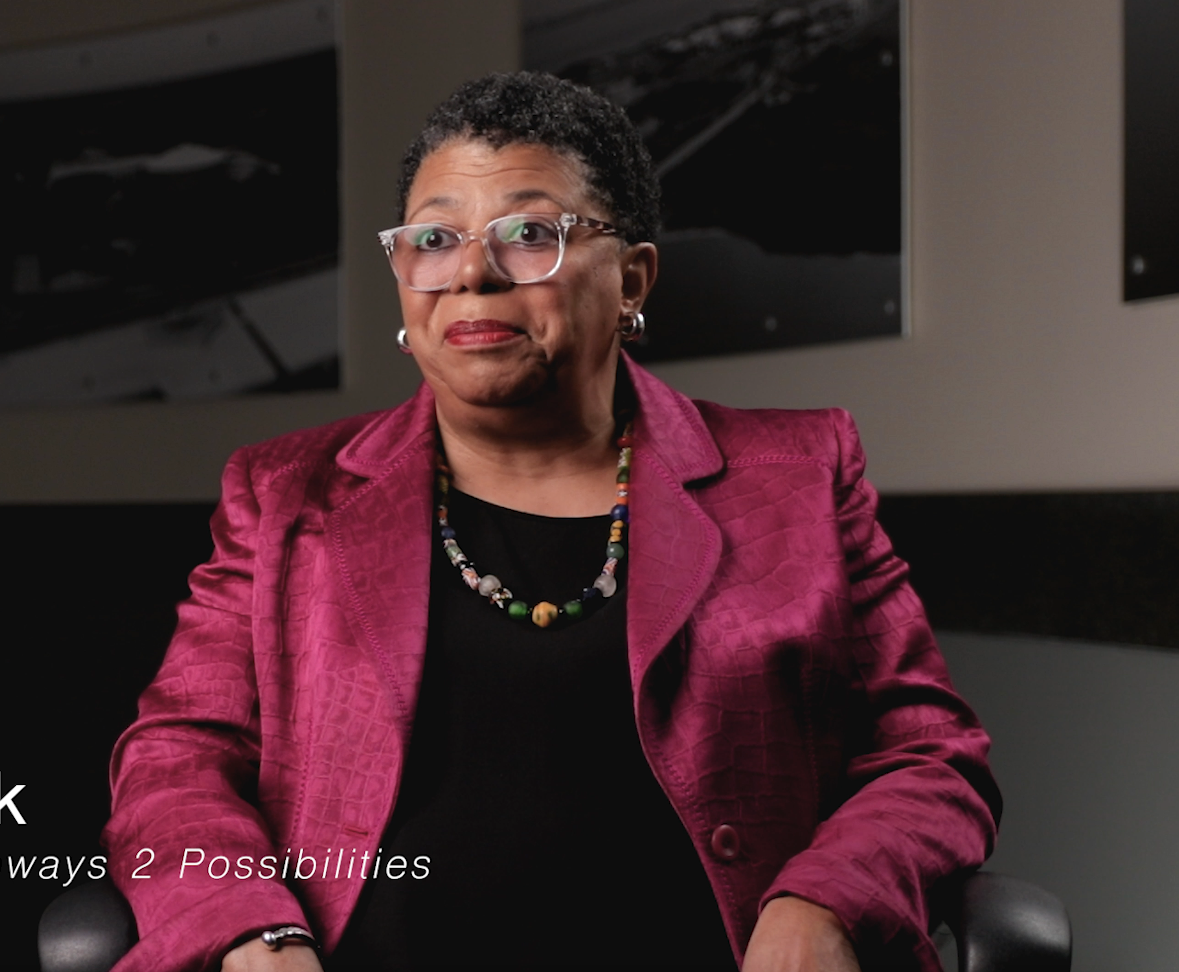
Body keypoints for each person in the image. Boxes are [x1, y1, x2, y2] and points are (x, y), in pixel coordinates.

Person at [102, 72, 998, 972]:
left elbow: (929, 758)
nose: (472, 272)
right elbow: (174, 761)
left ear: (631, 279)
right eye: (434, 240)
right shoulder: (285, 493)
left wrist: (825, 904)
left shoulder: (799, 475)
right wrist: (253, 932)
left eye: (529, 234)